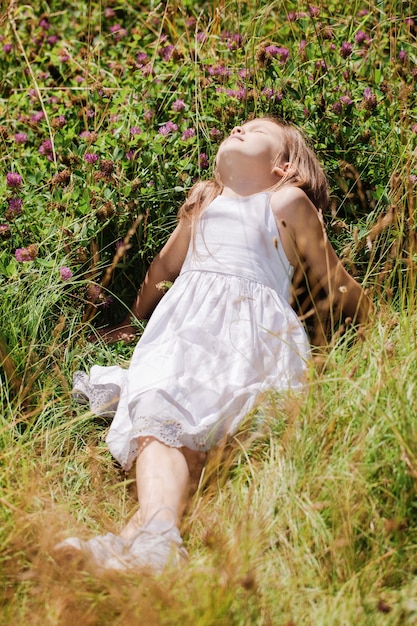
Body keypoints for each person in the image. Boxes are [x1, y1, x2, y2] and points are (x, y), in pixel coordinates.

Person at [55, 116, 372, 573]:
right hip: (181, 337)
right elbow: (164, 266)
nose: (240, 129)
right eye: (239, 125)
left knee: (168, 422)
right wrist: (129, 321)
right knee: (168, 433)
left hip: (246, 342)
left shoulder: (285, 202)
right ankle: (143, 547)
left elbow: (334, 279)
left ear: (284, 166)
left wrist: (383, 328)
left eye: (258, 130)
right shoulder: (205, 201)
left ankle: (142, 542)